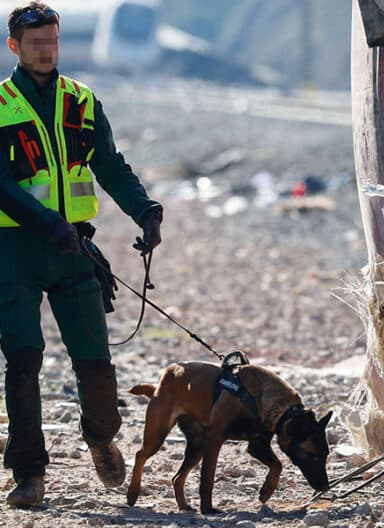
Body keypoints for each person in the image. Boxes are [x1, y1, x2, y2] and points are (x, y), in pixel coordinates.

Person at [0, 2, 163, 508]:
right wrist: (46, 223)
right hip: (14, 251)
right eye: (36, 45)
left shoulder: (82, 100)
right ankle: (29, 473)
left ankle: (99, 436)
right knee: (24, 361)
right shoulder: (0, 104)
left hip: (75, 248)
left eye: (53, 42)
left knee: (95, 362)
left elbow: (109, 165)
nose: (47, 52)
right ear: (14, 47)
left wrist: (146, 211)